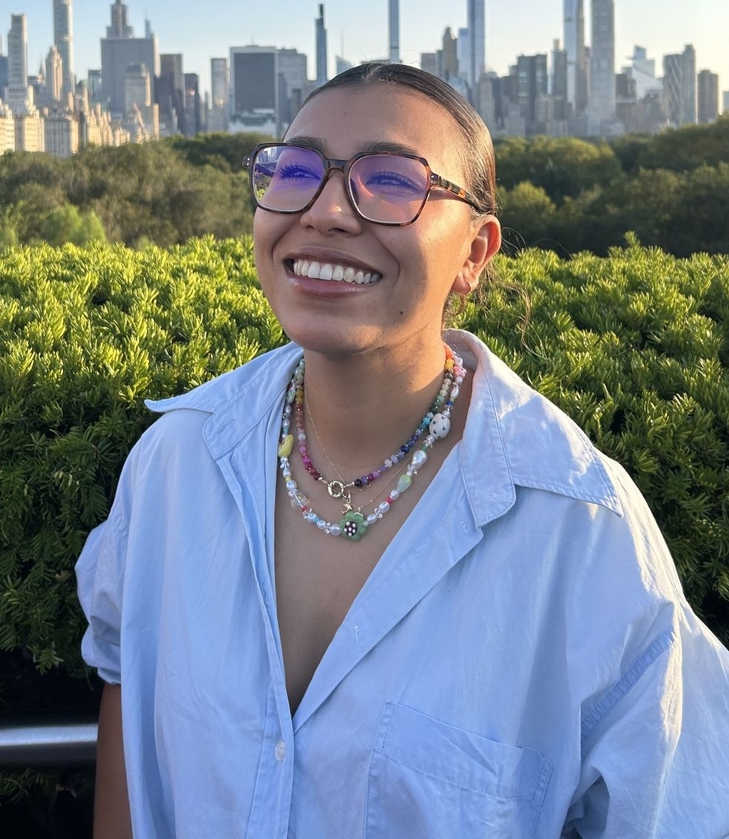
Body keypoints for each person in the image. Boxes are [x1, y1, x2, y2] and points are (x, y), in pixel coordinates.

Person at [76, 62, 729, 839]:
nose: (325, 211)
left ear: (475, 253)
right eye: (296, 171)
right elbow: (125, 679)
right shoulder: (174, 465)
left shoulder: (583, 532)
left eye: (390, 181)